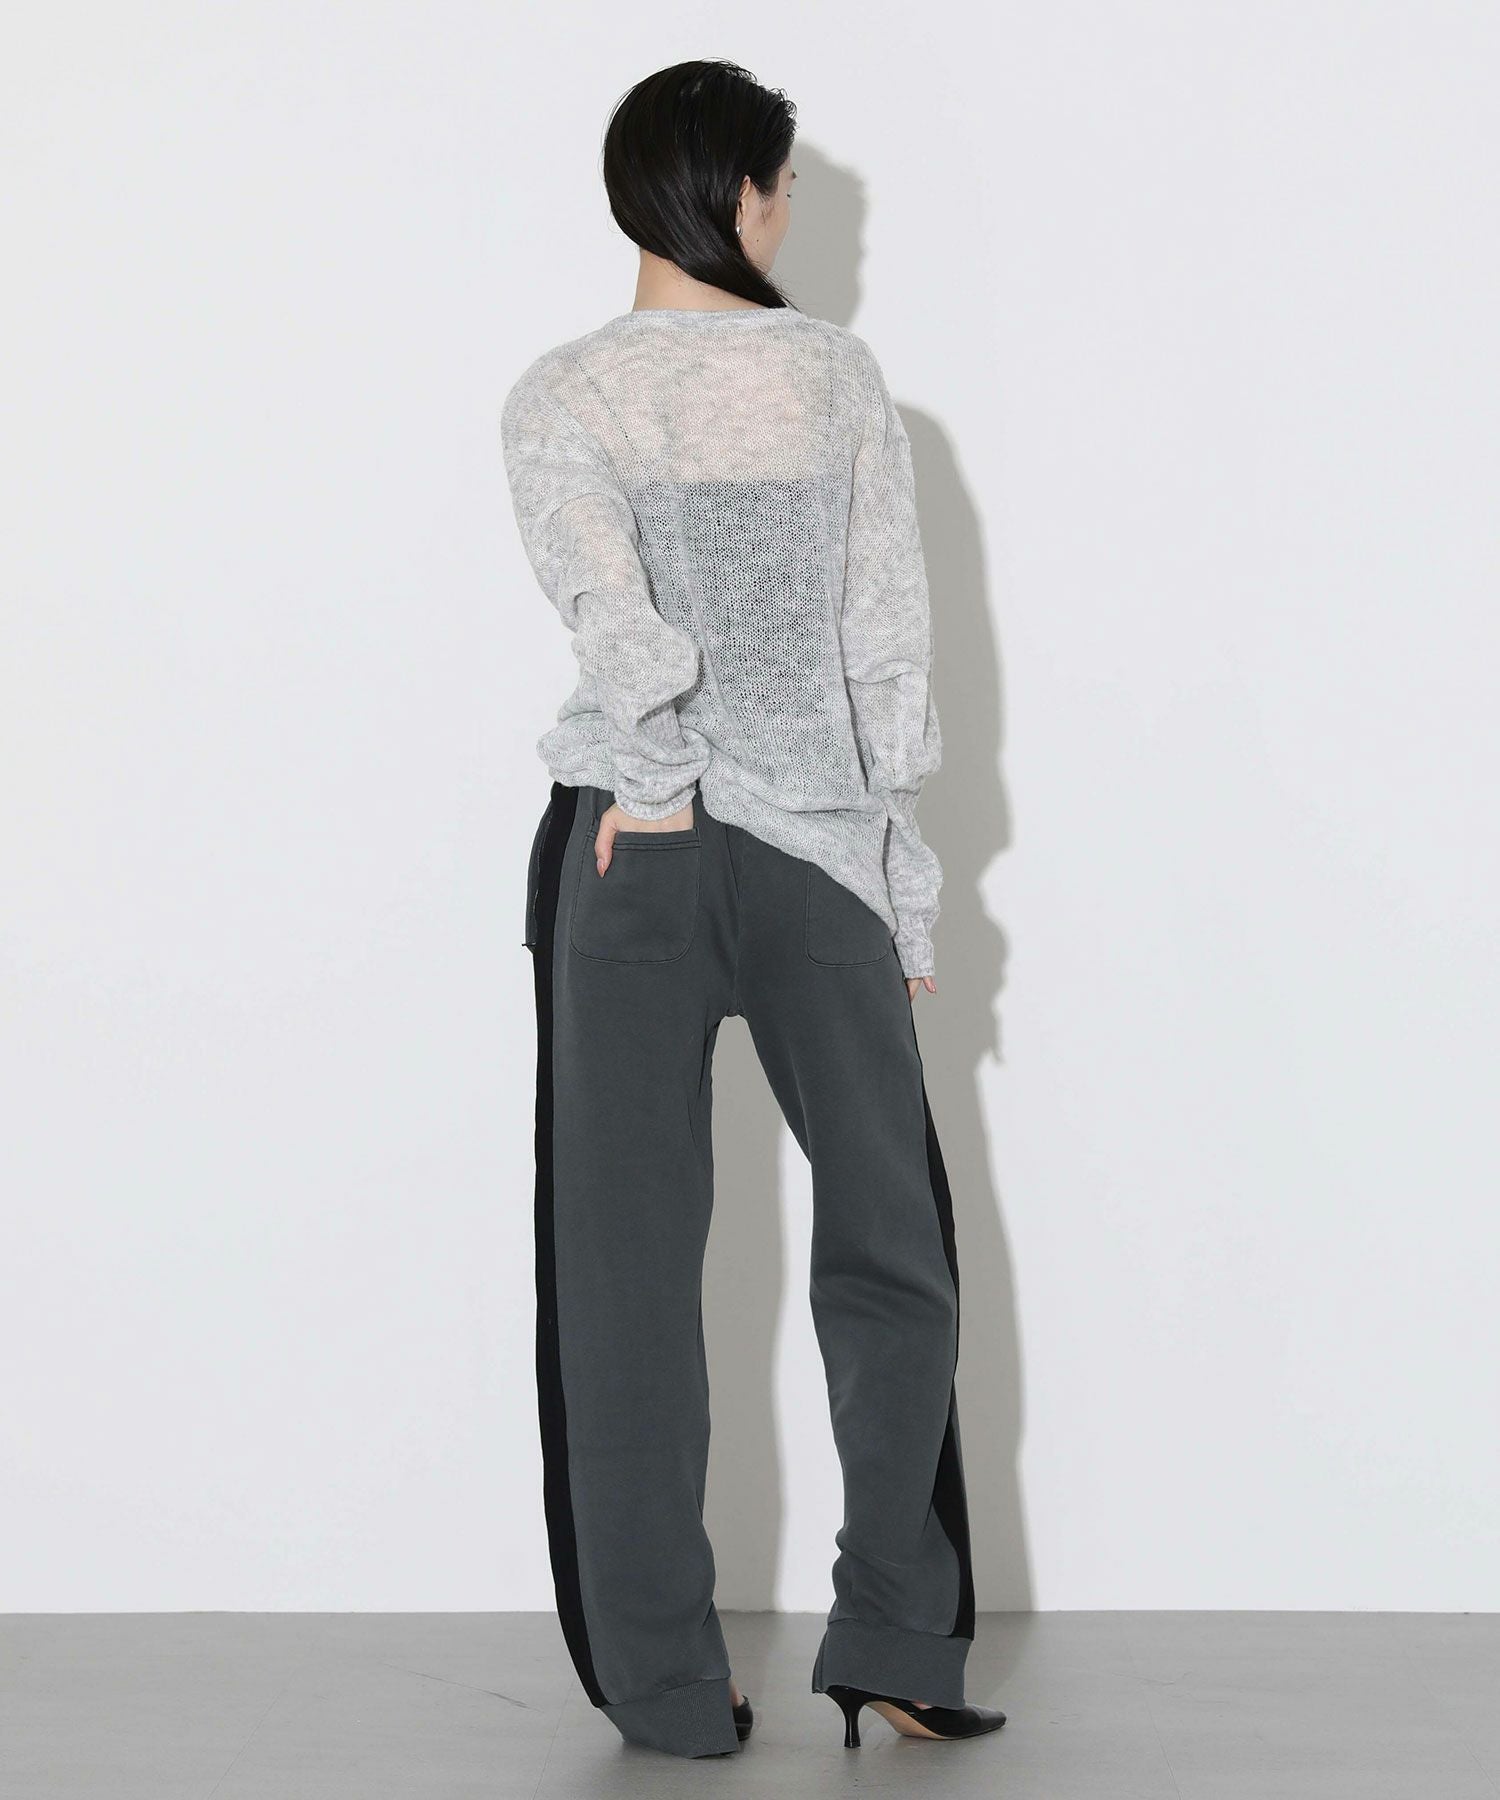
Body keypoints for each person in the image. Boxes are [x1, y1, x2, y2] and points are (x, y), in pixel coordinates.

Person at [500, 58, 1006, 1761]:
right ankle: (899, 1643)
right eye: (783, 188)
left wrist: (655, 769)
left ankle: (666, 1688)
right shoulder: (834, 379)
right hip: (816, 855)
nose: (787, 216)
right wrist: (898, 885)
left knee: (623, 1282)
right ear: (742, 194)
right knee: (894, 1253)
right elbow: (884, 652)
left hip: (626, 854)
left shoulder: (563, 391)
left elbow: (606, 609)